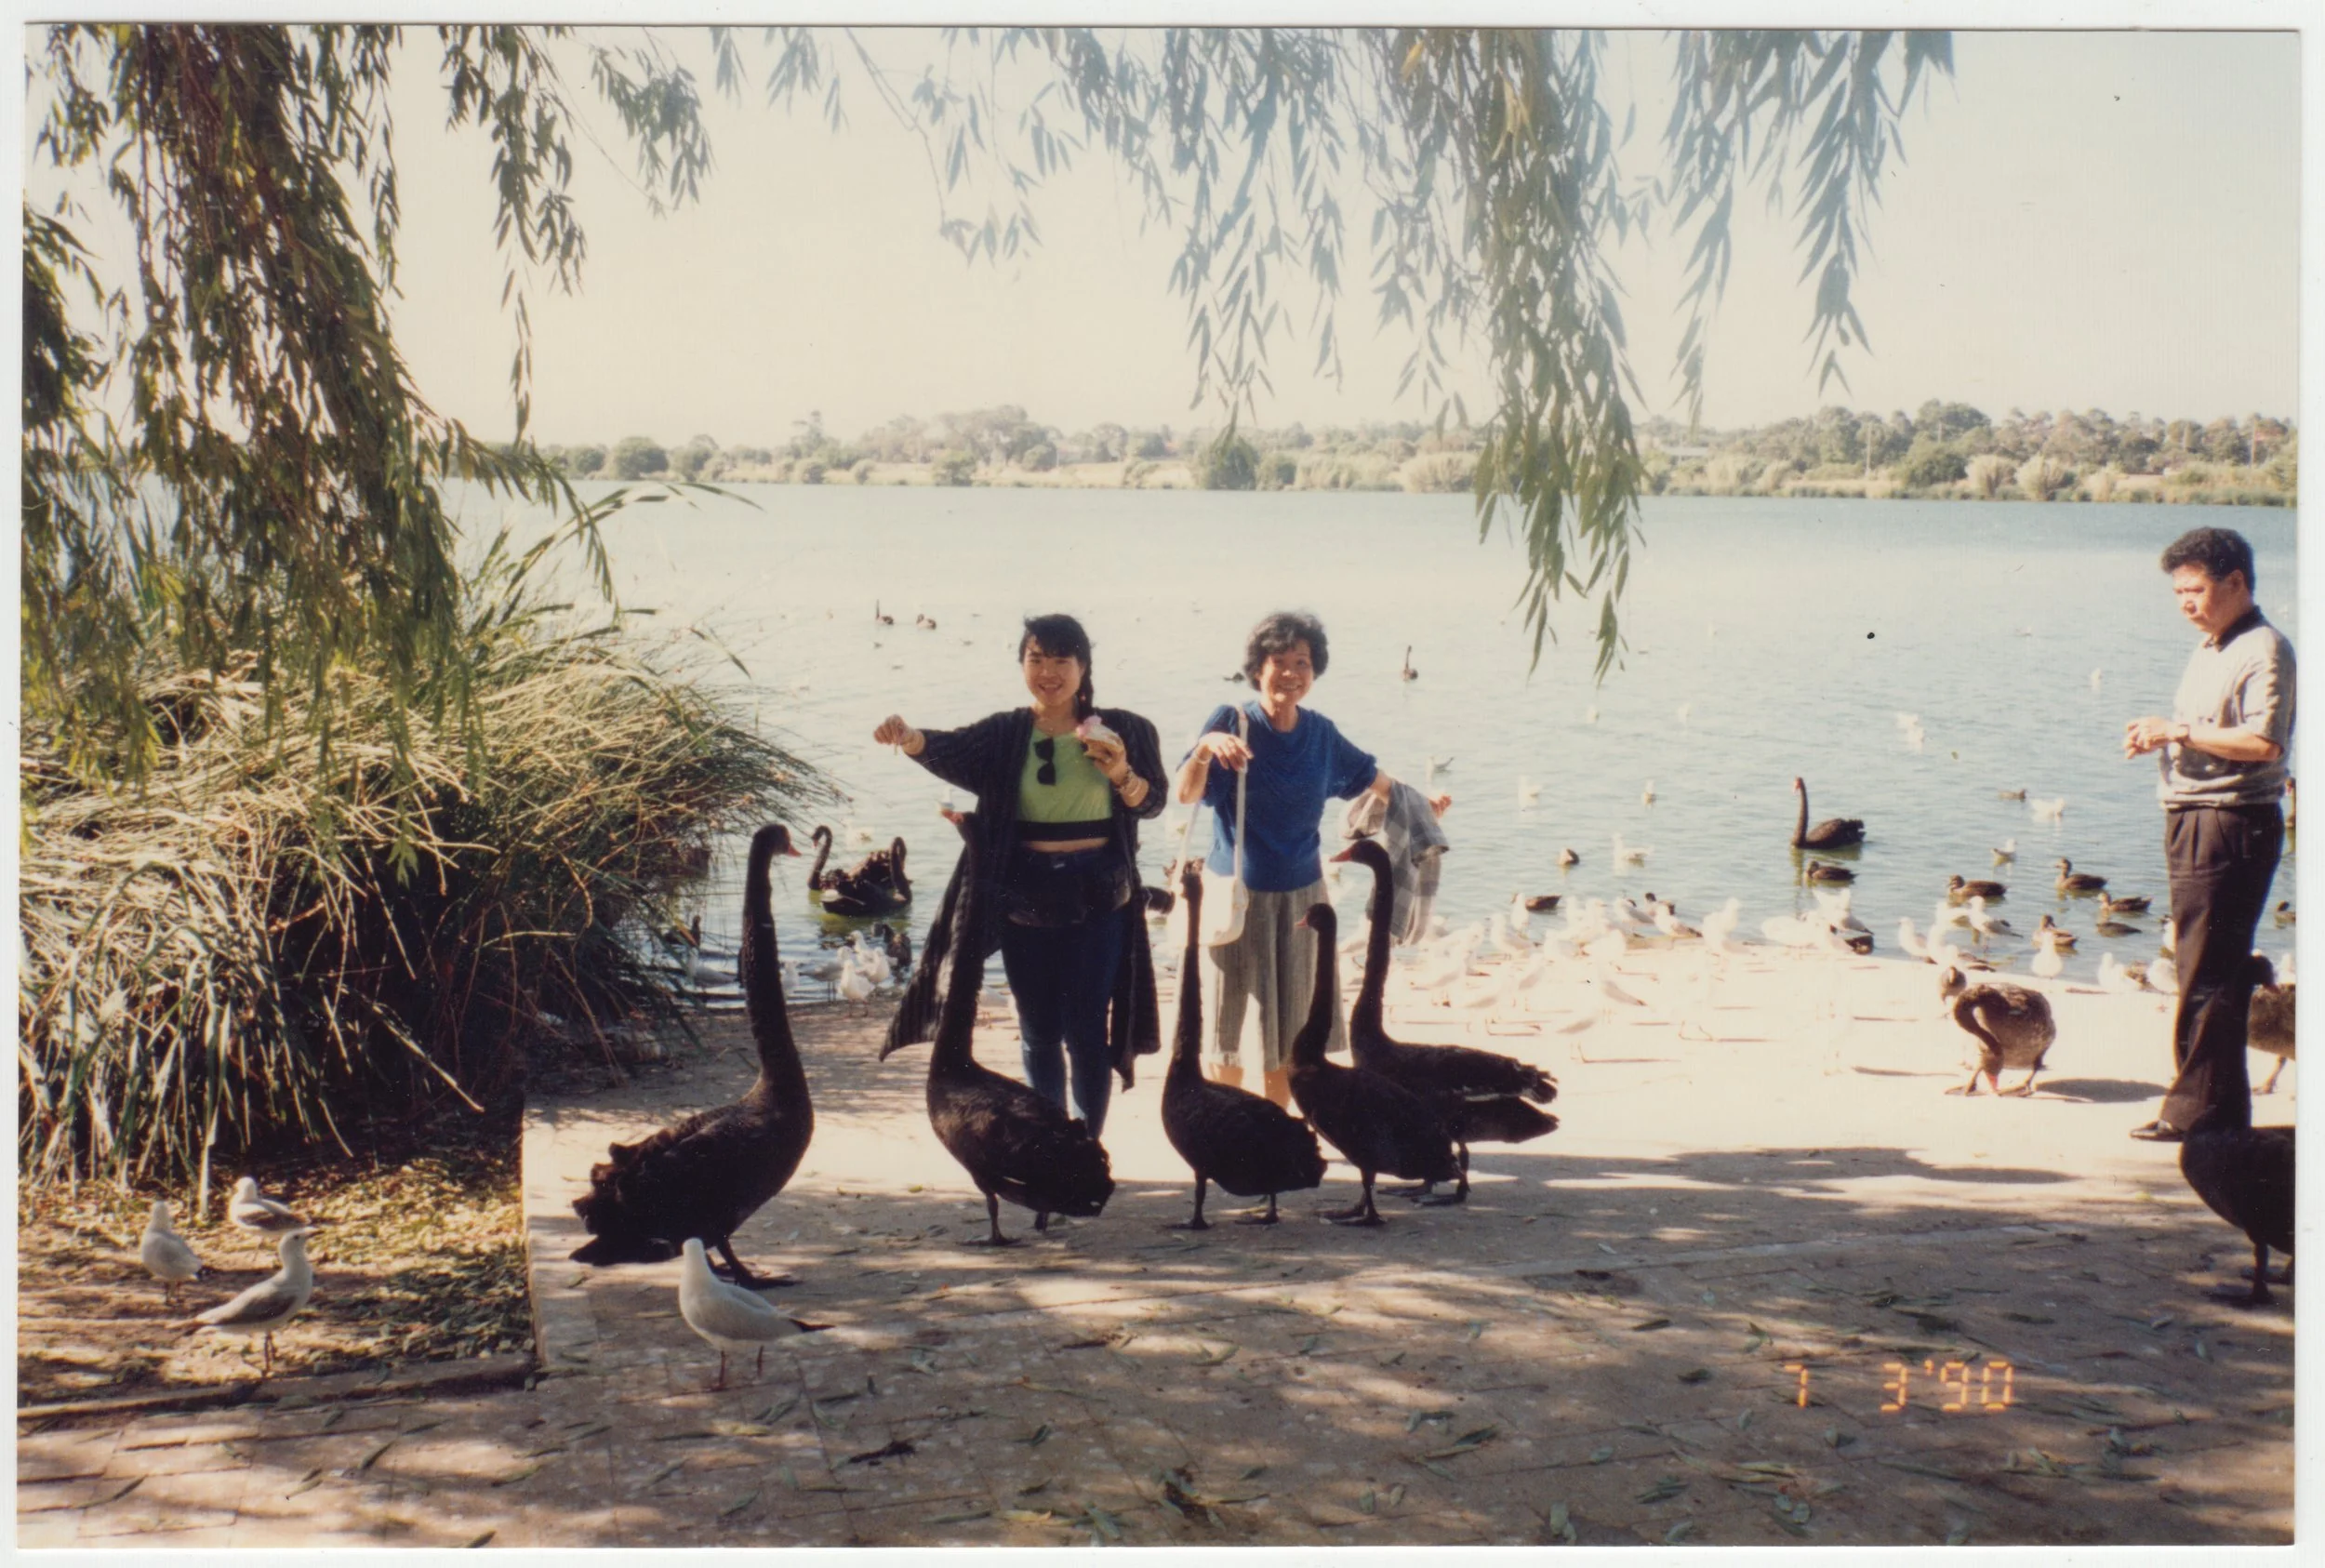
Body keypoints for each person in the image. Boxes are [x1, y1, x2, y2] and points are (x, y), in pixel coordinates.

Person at [873, 614, 1167, 1136]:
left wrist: (1120, 771)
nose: (1048, 672)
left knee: (1085, 1031)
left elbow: (1153, 804)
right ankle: (1050, 1136)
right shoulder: (1007, 733)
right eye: (1036, 660)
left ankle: (1086, 1142)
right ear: (1022, 664)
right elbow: (950, 749)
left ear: (1084, 667)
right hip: (1024, 893)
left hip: (1099, 894)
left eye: (1061, 660)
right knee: (1037, 1031)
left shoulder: (1126, 730)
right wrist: (908, 736)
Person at [1175, 611, 1419, 1110]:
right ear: (1257, 668)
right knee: (1228, 1022)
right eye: (1279, 661)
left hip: (1305, 899)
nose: (1291, 673)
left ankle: (1274, 1128)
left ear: (1315, 669)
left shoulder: (1321, 734)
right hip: (1238, 900)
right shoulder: (1231, 722)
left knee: (1290, 1029)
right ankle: (1230, 1128)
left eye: (1302, 662)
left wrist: (1418, 805)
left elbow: (1371, 777)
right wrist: (1203, 750)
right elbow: (1185, 794)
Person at [2122, 526, 2295, 1141]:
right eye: (2177, 593)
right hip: (2195, 818)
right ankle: (2214, 1107)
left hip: (2231, 824)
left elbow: (2263, 743)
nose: (2185, 603)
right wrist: (2161, 736)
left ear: (2237, 583)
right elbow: (2199, 729)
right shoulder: (2214, 646)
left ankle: (2198, 1112)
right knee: (2204, 965)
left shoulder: (2264, 649)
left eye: (2195, 590)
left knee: (2206, 971)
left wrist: (2178, 733)